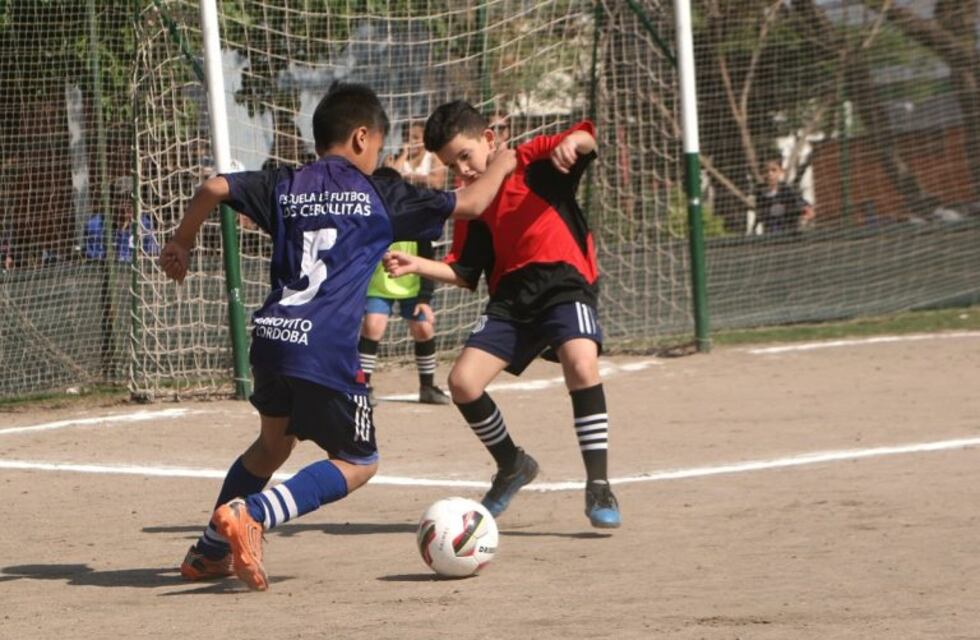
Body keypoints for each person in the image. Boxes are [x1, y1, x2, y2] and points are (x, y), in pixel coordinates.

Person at [159, 83, 515, 591]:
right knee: (357, 461)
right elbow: (475, 203)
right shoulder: (381, 192)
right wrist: (503, 161)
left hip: (273, 336)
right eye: (380, 146)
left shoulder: (284, 182)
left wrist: (181, 242)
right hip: (324, 348)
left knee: (270, 447)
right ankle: (254, 512)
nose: (380, 156)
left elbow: (215, 187)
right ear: (361, 138)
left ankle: (209, 551)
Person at [383, 100, 621, 529]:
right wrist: (417, 265)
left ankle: (599, 483)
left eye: (465, 157)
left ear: (489, 139)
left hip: (565, 285)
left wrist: (572, 143)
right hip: (511, 301)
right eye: (452, 166)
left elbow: (586, 139)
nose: (463, 171)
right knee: (462, 383)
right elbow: (464, 271)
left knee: (581, 364)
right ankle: (512, 465)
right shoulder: (474, 203)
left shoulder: (530, 160)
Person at [358, 166, 451, 407]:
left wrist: (425, 298)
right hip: (378, 287)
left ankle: (428, 387)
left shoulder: (414, 220)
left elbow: (428, 260)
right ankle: (362, 385)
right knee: (373, 326)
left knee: (424, 328)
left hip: (412, 286)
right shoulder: (367, 221)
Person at [752, 159, 815, 234]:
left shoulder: (786, 189)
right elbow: (761, 213)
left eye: (774, 170)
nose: (770, 174)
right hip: (771, 233)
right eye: (766, 171)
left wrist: (807, 211)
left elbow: (801, 203)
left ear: (780, 171)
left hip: (790, 232)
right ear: (761, 174)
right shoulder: (760, 192)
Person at [384, 121, 447, 189]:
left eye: (416, 138)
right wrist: (404, 155)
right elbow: (389, 179)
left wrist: (404, 177)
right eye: (406, 137)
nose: (410, 141)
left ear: (425, 138)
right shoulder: (392, 158)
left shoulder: (433, 157)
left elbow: (436, 183)